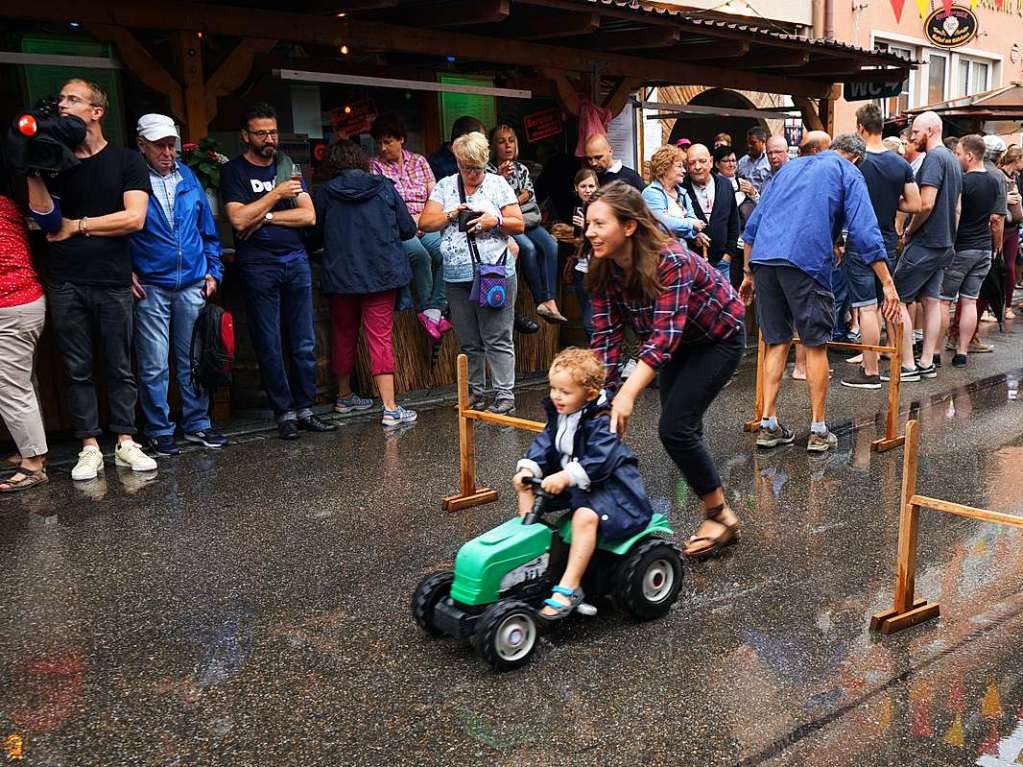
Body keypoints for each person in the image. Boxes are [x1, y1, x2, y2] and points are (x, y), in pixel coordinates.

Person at [585, 182, 746, 559]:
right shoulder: (603, 266)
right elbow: (605, 339)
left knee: (675, 427)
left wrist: (626, 393)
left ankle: (721, 515)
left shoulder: (670, 258)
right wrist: (598, 397)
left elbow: (663, 339)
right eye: (588, 224)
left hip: (717, 338)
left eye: (599, 223)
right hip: (676, 344)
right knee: (681, 427)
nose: (589, 232)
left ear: (629, 226)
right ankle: (709, 492)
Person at [25, 78, 156, 479]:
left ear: (97, 112)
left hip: (113, 277)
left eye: (73, 99)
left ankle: (125, 441)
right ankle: (88, 446)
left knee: (119, 364)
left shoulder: (125, 161)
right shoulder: (58, 161)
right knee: (77, 366)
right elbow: (46, 219)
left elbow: (134, 217)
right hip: (65, 278)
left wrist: (78, 225)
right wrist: (33, 169)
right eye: (61, 98)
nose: (63, 105)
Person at [740, 134, 900, 452]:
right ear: (855, 158)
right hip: (805, 262)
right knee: (815, 345)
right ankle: (818, 430)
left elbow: (754, 224)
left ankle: (769, 425)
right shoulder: (848, 171)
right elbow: (865, 231)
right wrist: (887, 283)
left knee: (776, 342)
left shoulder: (788, 168)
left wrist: (748, 273)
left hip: (765, 260)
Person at [220, 102, 336, 440]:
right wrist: (276, 195)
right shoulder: (234, 172)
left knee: (303, 341)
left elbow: (308, 217)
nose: (269, 139)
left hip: (295, 260)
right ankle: (283, 413)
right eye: (261, 133)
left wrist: (266, 216)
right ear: (246, 136)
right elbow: (238, 220)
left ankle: (305, 408)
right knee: (269, 342)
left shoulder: (289, 166)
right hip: (258, 265)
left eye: (272, 132)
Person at [513, 347, 653, 619]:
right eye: (554, 389)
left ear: (589, 394)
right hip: (574, 481)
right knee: (527, 485)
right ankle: (531, 556)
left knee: (584, 518)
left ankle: (570, 587)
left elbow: (600, 460)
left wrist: (565, 476)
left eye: (564, 392)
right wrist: (530, 466)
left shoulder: (603, 419)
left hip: (610, 487)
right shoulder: (561, 412)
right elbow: (545, 442)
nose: (556, 396)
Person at [130, 114, 227, 456]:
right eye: (159, 145)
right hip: (152, 284)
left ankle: (198, 423)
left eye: (171, 144)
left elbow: (207, 231)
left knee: (194, 359)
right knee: (154, 362)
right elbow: (123, 232)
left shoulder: (188, 176)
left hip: (192, 282)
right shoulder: (133, 179)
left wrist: (214, 271)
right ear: (142, 146)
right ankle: (159, 429)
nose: (168, 151)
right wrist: (126, 270)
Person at [312, 139, 419, 426]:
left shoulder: (323, 193)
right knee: (380, 338)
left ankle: (344, 397)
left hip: (340, 277)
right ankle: (390, 408)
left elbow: (312, 236)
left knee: (343, 334)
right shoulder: (383, 187)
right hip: (380, 275)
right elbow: (408, 228)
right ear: (360, 160)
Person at [419, 132, 524, 414]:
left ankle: (504, 395)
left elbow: (519, 224)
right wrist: (452, 214)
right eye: (467, 168)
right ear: (458, 162)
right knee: (468, 340)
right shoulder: (445, 187)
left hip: (492, 270)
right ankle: (475, 394)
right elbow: (425, 223)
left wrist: (495, 220)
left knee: (497, 335)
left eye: (478, 168)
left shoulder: (498, 183)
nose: (473, 174)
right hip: (456, 275)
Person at [841, 103, 920, 390]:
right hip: (887, 238)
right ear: (882, 127)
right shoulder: (900, 163)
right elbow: (916, 204)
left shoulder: (857, 162)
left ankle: (870, 370)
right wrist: (890, 203)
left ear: (860, 127)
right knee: (887, 301)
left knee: (866, 308)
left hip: (861, 239)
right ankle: (900, 363)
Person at [889, 111, 962, 382]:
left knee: (898, 299)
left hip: (926, 242)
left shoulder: (933, 159)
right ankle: (926, 360)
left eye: (916, 133)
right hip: (944, 242)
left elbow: (926, 203)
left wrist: (909, 230)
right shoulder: (953, 160)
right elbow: (956, 208)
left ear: (930, 130)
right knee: (932, 302)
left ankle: (907, 365)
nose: (912, 138)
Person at [368, 113, 447, 341]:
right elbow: (383, 206)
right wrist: (411, 222)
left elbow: (436, 196)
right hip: (400, 228)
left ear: (401, 139)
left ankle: (436, 308)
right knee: (419, 255)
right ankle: (426, 310)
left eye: (388, 141)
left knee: (447, 252)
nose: (382, 148)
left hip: (426, 222)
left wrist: (425, 219)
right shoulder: (375, 167)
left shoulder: (420, 161)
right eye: (379, 143)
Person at [0, 156, 48, 492]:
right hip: (26, 302)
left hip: (11, 305)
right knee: (22, 383)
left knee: (11, 387)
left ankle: (34, 464)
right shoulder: (6, 204)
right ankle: (30, 450)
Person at [488, 124, 566, 324]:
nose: (507, 146)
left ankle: (550, 299)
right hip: (509, 222)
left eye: (511, 140)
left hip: (528, 219)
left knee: (551, 244)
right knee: (528, 248)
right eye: (501, 141)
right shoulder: (489, 171)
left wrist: (512, 200)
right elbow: (489, 199)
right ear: (493, 146)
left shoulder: (522, 168)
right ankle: (540, 299)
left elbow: (530, 194)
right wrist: (500, 178)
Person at [939, 135, 1001, 368]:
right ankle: (962, 352)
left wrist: (950, 241)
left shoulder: (963, 182)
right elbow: (995, 218)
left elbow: (956, 212)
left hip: (962, 247)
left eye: (958, 153)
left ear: (970, 156)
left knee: (944, 301)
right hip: (983, 248)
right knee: (969, 301)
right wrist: (995, 246)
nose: (956, 157)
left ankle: (935, 350)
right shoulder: (995, 181)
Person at [682, 144, 739, 277]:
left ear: (711, 162)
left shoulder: (724, 185)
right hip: (692, 264)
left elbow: (733, 222)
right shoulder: (681, 188)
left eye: (702, 161)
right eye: (692, 163)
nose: (697, 167)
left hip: (722, 263)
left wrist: (729, 254)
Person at [641, 145, 703, 243]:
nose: (684, 171)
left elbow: (695, 227)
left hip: (680, 252)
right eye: (679, 166)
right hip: (658, 254)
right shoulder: (651, 193)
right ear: (664, 168)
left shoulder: (683, 193)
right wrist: (689, 223)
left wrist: (680, 225)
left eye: (684, 167)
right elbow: (661, 225)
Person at [569, 168, 598, 339]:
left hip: (597, 272)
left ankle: (604, 362)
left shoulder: (601, 209)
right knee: (588, 321)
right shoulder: (578, 209)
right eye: (583, 186)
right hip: (581, 271)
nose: (587, 190)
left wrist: (586, 227)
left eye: (591, 186)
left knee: (590, 323)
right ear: (576, 188)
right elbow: (580, 244)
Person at [998, 145, 1023, 315]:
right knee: (995, 267)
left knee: (1010, 266)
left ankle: (1007, 306)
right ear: (1017, 159)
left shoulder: (1016, 177)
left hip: (1013, 227)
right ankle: (991, 306)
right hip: (1000, 226)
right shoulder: (999, 175)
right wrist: (1005, 199)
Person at [427, 115, 485, 182]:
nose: (483, 145)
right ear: (465, 139)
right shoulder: (435, 163)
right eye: (480, 140)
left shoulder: (479, 159)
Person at [737, 127, 771, 194]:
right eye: (748, 142)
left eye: (753, 143)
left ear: (763, 142)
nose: (749, 146)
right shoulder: (742, 161)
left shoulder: (770, 161)